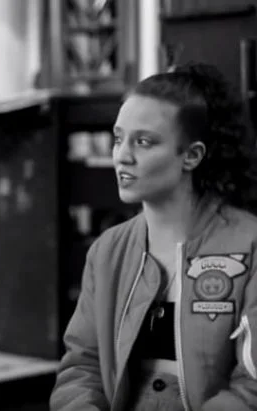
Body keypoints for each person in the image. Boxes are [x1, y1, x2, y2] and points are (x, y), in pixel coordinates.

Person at [50, 62, 257, 411]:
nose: (122, 156)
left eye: (143, 142)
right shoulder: (107, 251)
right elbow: (81, 367)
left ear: (191, 155)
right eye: (118, 139)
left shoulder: (250, 245)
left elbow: (251, 386)